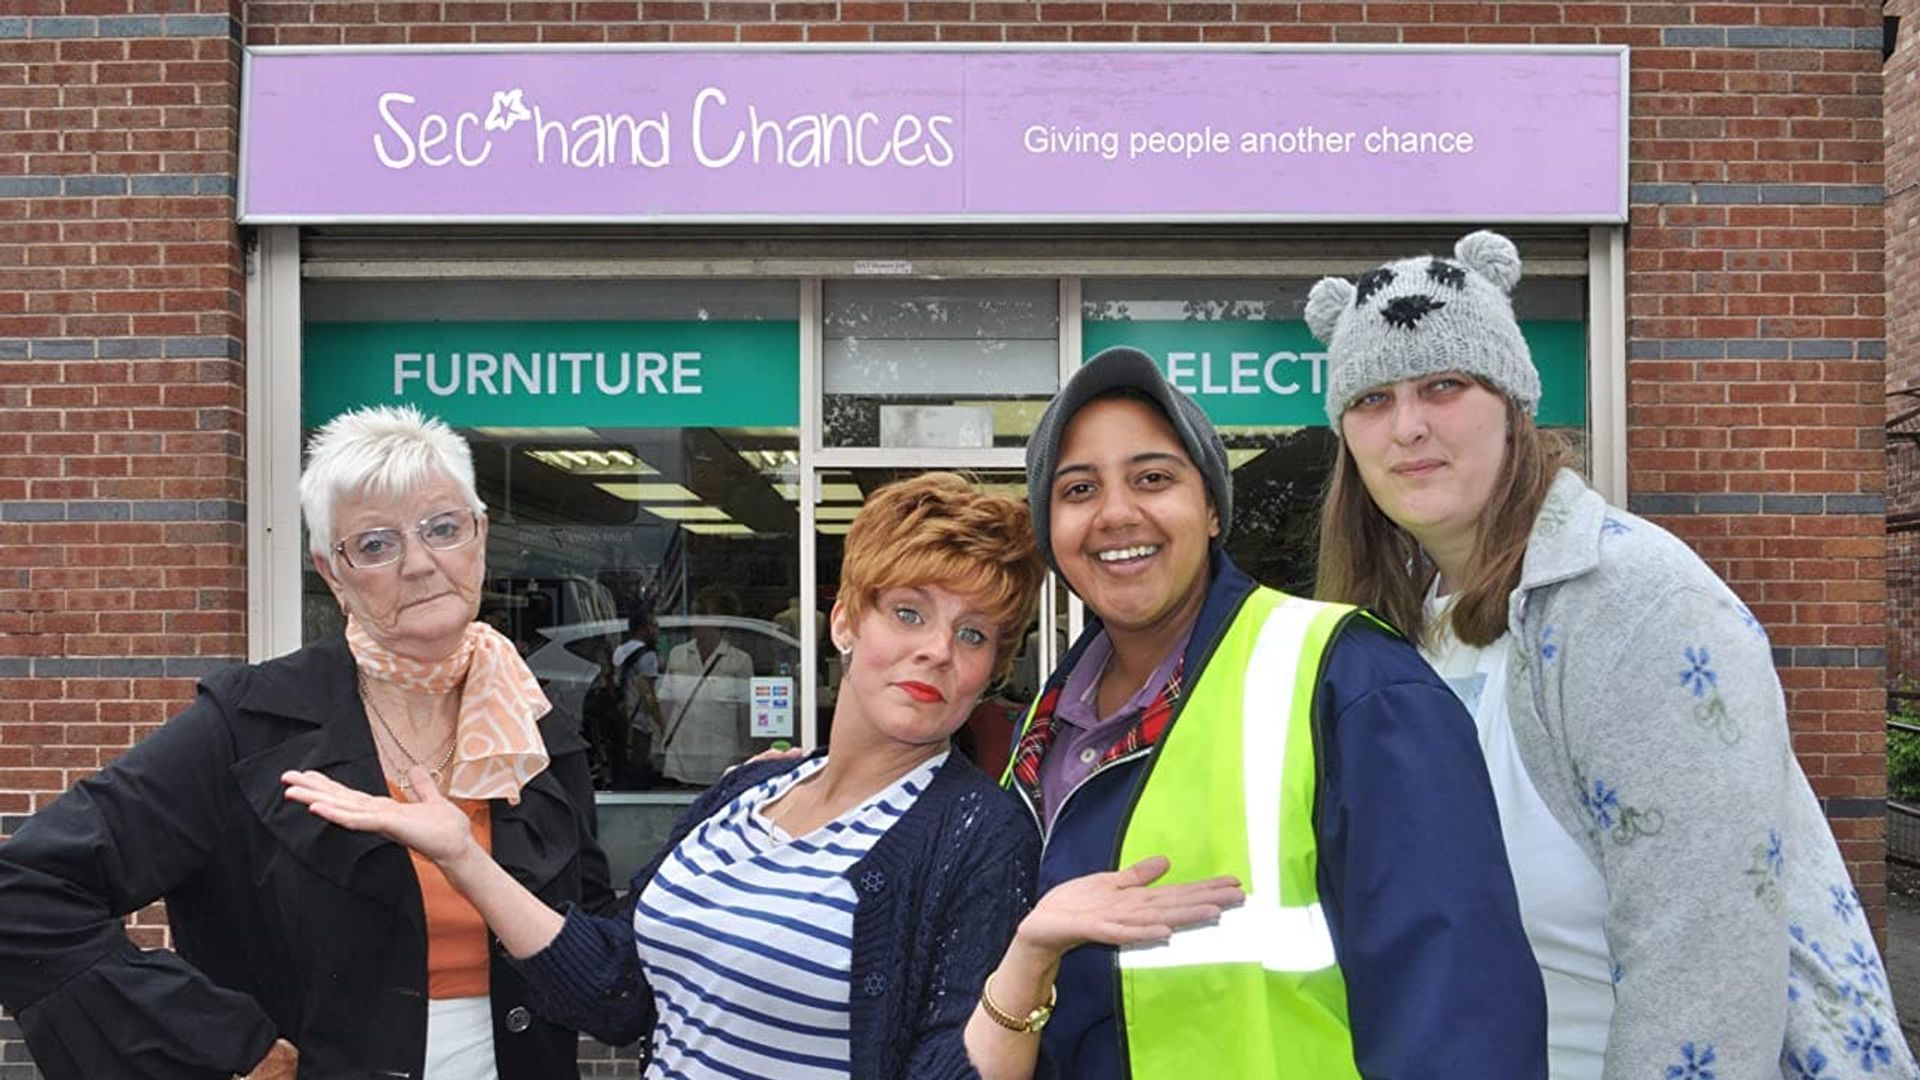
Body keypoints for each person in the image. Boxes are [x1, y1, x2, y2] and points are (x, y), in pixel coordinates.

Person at [285, 473, 1185, 1078]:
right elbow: (618, 991)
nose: (935, 652)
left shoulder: (974, 836)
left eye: (974, 634)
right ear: (844, 622)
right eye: (908, 611)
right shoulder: (746, 792)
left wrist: (1031, 954)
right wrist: (465, 860)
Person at [1308, 231, 1917, 1079]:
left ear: (1513, 400)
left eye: (1443, 385)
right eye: (1372, 398)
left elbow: (1706, 959)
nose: (1407, 425)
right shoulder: (1400, 629)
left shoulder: (1640, 602)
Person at [964, 346, 1548, 1079]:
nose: (1116, 513)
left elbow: (1461, 1015)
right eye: (1078, 489)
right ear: (1051, 531)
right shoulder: (1043, 731)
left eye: (1153, 478)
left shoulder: (1351, 681)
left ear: (1211, 508)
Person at [0, 404, 613, 1079]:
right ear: (332, 572)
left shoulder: (533, 727)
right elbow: (26, 891)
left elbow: (592, 953)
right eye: (376, 543)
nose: (419, 563)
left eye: (443, 528)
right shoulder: (249, 726)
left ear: (480, 537)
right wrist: (226, 1044)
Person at [655, 586, 756, 785]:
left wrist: (745, 757)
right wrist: (659, 747)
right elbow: (665, 707)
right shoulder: (678, 655)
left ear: (722, 621)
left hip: (723, 765)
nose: (696, 621)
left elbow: (746, 717)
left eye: (703, 615)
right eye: (694, 614)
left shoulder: (739, 661)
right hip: (680, 763)